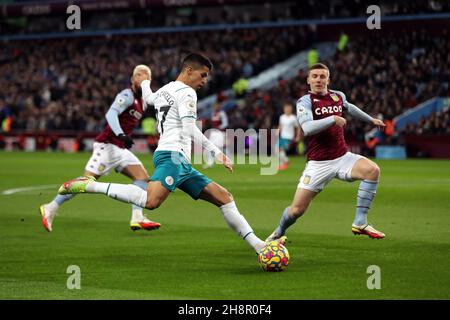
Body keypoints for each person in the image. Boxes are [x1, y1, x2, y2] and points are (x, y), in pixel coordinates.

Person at [58, 53, 285, 253]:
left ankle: (259, 245)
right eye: (203, 75)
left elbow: (148, 97)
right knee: (151, 201)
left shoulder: (165, 90)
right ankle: (89, 185)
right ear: (189, 70)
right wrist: (217, 152)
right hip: (173, 155)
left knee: (224, 197)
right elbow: (189, 128)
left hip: (178, 159)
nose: (205, 81)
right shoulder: (187, 93)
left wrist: (145, 82)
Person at [266, 63, 386, 241]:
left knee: (372, 170)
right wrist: (332, 119)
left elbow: (349, 107)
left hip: (342, 157)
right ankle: (279, 232)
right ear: (308, 80)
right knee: (297, 210)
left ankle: (360, 222)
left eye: (322, 76)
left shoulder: (338, 96)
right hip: (318, 164)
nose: (318, 80)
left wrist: (370, 120)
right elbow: (307, 128)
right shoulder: (305, 102)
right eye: (314, 76)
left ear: (328, 79)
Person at [40, 65, 161, 232]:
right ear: (133, 79)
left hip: (120, 149)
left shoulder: (143, 102)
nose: (144, 78)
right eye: (140, 75)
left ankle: (137, 216)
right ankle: (51, 207)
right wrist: (120, 134)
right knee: (86, 182)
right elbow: (110, 114)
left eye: (148, 76)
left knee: (142, 178)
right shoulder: (126, 95)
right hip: (108, 146)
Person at [204, 101, 228, 168]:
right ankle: (210, 163)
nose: (215, 107)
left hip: (220, 132)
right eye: (214, 106)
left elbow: (225, 123)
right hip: (213, 132)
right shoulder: (213, 113)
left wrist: (219, 127)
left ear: (219, 107)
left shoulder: (222, 113)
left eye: (217, 106)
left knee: (221, 147)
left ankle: (228, 161)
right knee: (210, 146)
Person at [278, 102, 301, 170]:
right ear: (284, 109)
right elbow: (280, 126)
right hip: (282, 136)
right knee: (279, 150)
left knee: (280, 149)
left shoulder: (293, 118)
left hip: (289, 137)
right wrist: (277, 131)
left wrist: (298, 136)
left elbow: (298, 128)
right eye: (286, 108)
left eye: (289, 108)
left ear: (291, 109)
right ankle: (283, 163)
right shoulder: (282, 117)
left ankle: (285, 162)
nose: (287, 109)